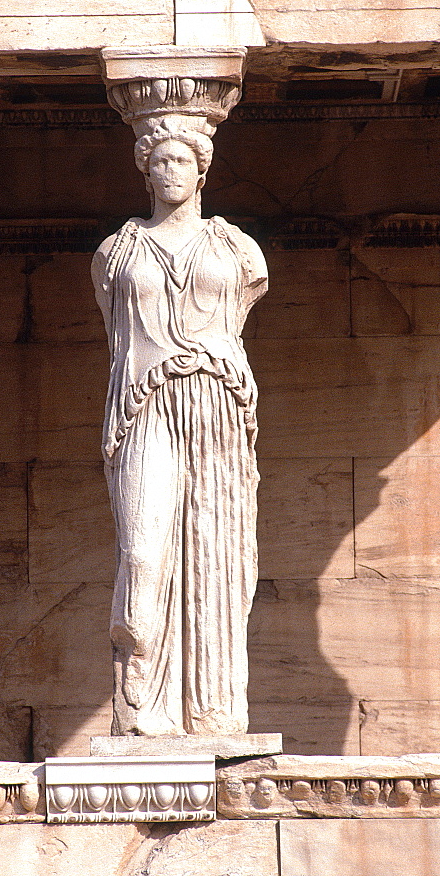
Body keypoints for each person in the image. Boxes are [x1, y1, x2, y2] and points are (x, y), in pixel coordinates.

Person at [92, 115, 268, 736]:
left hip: (217, 402)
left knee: (214, 549)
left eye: (180, 161)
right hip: (147, 403)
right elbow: (119, 339)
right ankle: (142, 702)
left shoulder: (237, 250)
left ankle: (210, 712)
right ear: (145, 170)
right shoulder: (117, 254)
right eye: (158, 160)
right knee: (144, 551)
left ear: (200, 170)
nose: (169, 170)